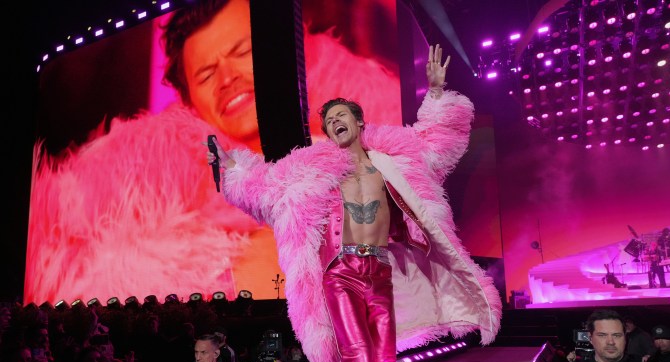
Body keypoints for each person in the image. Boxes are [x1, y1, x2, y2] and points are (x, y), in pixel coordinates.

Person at [208, 44, 501, 362]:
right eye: (328, 121)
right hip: (340, 274)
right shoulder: (316, 171)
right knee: (359, 361)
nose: (333, 123)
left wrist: (435, 94)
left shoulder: (394, 161)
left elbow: (437, 142)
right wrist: (233, 166)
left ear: (359, 122)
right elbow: (266, 188)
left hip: (380, 273)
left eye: (340, 116)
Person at [25, 0, 402, 304]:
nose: (227, 79)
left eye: (242, 52)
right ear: (190, 101)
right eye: (206, 75)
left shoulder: (359, 148)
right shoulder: (164, 213)